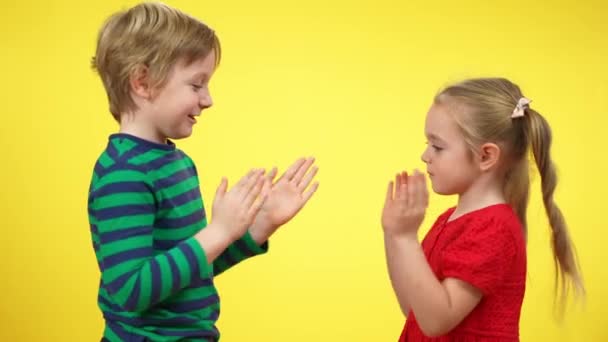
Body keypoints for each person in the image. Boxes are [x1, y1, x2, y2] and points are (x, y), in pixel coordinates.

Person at [88, 3, 319, 341]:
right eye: (196, 85)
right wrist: (219, 231)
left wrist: (258, 225)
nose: (208, 99)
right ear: (142, 81)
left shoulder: (178, 164)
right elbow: (131, 291)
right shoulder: (122, 174)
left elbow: (194, 269)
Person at [381, 77, 584, 341]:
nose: (425, 156)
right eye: (426, 144)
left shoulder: (494, 229)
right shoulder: (449, 219)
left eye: (438, 146)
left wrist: (405, 238)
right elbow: (414, 309)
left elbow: (436, 320)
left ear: (486, 156)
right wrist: (393, 234)